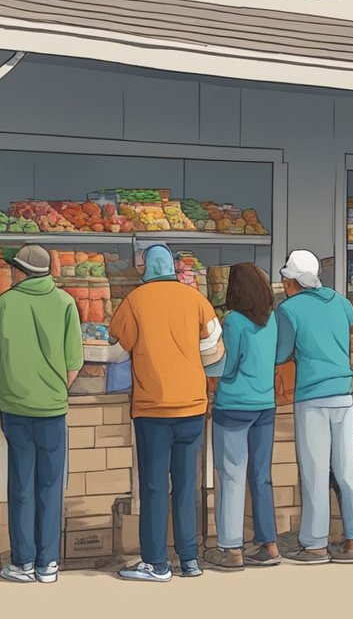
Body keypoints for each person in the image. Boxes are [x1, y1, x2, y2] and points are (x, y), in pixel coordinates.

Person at [111, 244, 223, 582]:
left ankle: (156, 562)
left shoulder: (135, 301)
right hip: (192, 406)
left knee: (155, 486)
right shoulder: (196, 300)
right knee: (187, 485)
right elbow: (214, 349)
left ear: (146, 266)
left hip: (153, 407)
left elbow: (117, 349)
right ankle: (189, 559)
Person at [0, 244, 84, 585]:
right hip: (53, 409)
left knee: (21, 484)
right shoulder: (66, 303)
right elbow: (75, 362)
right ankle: (48, 563)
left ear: (20, 271)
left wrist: (7, 382)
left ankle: (23, 562)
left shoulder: (5, 303)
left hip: (14, 406)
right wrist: (56, 389)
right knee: (51, 485)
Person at [275, 249, 353, 565]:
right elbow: (351, 325)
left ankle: (315, 544)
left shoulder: (288, 309)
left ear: (290, 281)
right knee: (345, 470)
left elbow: (281, 353)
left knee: (314, 471)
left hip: (312, 396)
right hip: (343, 392)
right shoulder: (340, 301)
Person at [204, 264, 281, 571]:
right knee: (261, 477)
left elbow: (228, 366)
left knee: (231, 476)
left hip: (234, 405)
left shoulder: (233, 321)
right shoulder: (272, 319)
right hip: (265, 404)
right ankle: (269, 544)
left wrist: (205, 369)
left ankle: (232, 548)